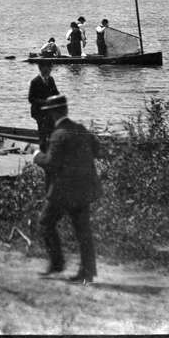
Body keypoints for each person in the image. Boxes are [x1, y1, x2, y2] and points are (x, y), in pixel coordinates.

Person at [33, 95, 102, 284]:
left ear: (53, 113)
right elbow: (98, 150)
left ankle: (57, 263)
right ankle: (87, 273)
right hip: (83, 189)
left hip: (63, 191)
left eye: (48, 113)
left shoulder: (58, 134)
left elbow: (51, 163)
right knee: (83, 231)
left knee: (46, 223)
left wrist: (37, 156)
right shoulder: (80, 129)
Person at [28, 62, 59, 151]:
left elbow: (56, 93)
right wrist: (45, 102)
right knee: (42, 134)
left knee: (51, 132)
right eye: (48, 68)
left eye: (50, 68)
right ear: (41, 69)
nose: (50, 70)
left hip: (49, 112)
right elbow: (31, 99)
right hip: (39, 112)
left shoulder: (51, 80)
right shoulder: (35, 81)